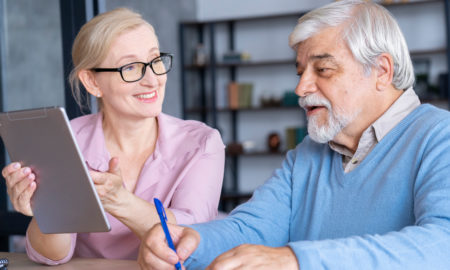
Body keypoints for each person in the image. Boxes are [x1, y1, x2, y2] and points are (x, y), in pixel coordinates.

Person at [137, 1, 450, 269]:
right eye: (301, 73)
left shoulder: (439, 137)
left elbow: (441, 246)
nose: (301, 89)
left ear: (381, 71)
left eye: (323, 70)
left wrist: (295, 259)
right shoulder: (310, 152)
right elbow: (253, 228)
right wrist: (192, 241)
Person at [1, 7, 225, 265]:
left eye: (155, 61)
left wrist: (121, 203)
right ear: (92, 82)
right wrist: (47, 211)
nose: (152, 80)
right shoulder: (68, 140)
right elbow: (53, 256)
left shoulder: (202, 143)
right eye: (130, 67)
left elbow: (192, 243)